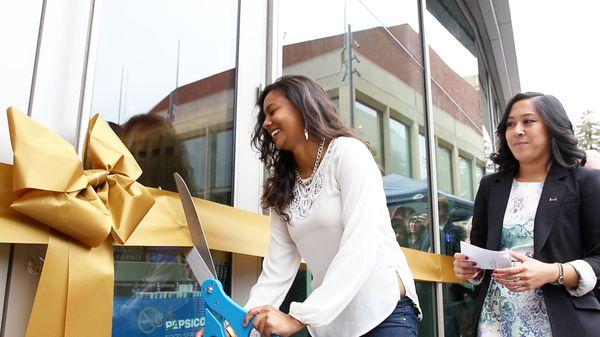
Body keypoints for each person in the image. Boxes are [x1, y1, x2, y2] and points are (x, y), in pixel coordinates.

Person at [198, 75, 421, 337]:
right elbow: (276, 272)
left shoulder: (348, 153)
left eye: (273, 111)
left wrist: (299, 317)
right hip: (333, 327)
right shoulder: (283, 188)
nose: (267, 123)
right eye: (263, 118)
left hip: (383, 313)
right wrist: (233, 327)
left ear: (302, 107)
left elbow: (361, 243)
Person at [453, 92, 600, 337]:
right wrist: (470, 268)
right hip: (494, 321)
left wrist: (553, 272)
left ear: (553, 128)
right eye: (510, 124)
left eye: (528, 121)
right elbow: (479, 252)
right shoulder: (491, 186)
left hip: (562, 322)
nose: (517, 130)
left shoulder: (586, 182)